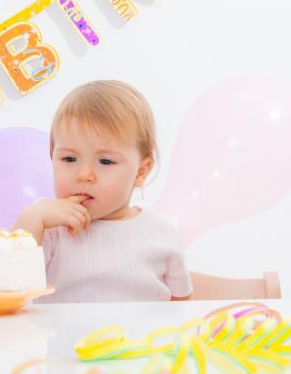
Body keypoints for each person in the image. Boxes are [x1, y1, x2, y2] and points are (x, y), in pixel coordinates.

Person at [14, 80, 192, 302]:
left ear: (140, 172)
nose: (84, 174)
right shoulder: (50, 229)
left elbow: (180, 304)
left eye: (105, 161)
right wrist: (33, 217)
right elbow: (9, 283)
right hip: (64, 337)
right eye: (69, 158)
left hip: (139, 337)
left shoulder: (163, 230)